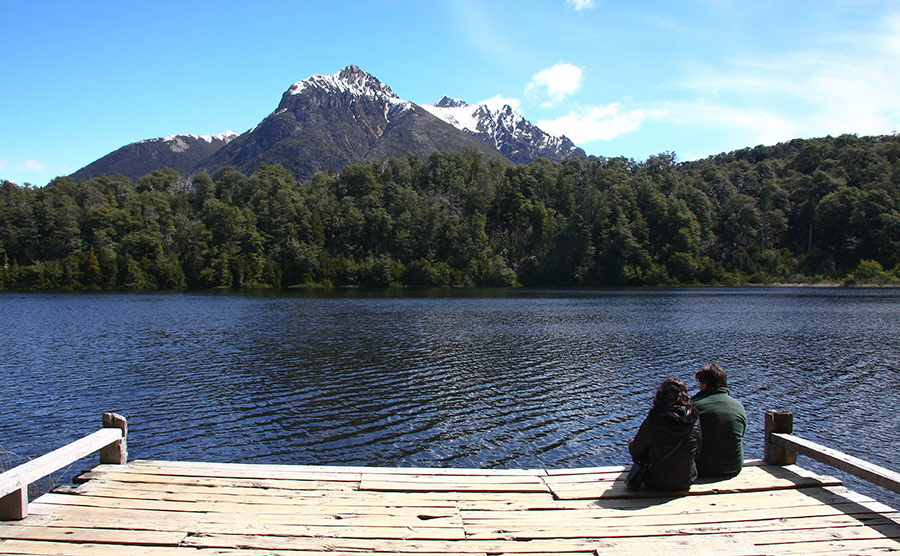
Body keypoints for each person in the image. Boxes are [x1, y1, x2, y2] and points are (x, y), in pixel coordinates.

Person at [629, 377, 702, 491]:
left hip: (655, 481)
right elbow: (697, 449)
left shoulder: (655, 418)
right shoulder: (693, 419)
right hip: (685, 480)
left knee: (632, 445)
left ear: (660, 396)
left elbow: (635, 452)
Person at [692, 363, 747, 478]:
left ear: (705, 384)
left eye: (700, 383)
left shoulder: (693, 406)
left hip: (702, 469)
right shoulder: (738, 406)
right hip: (734, 468)